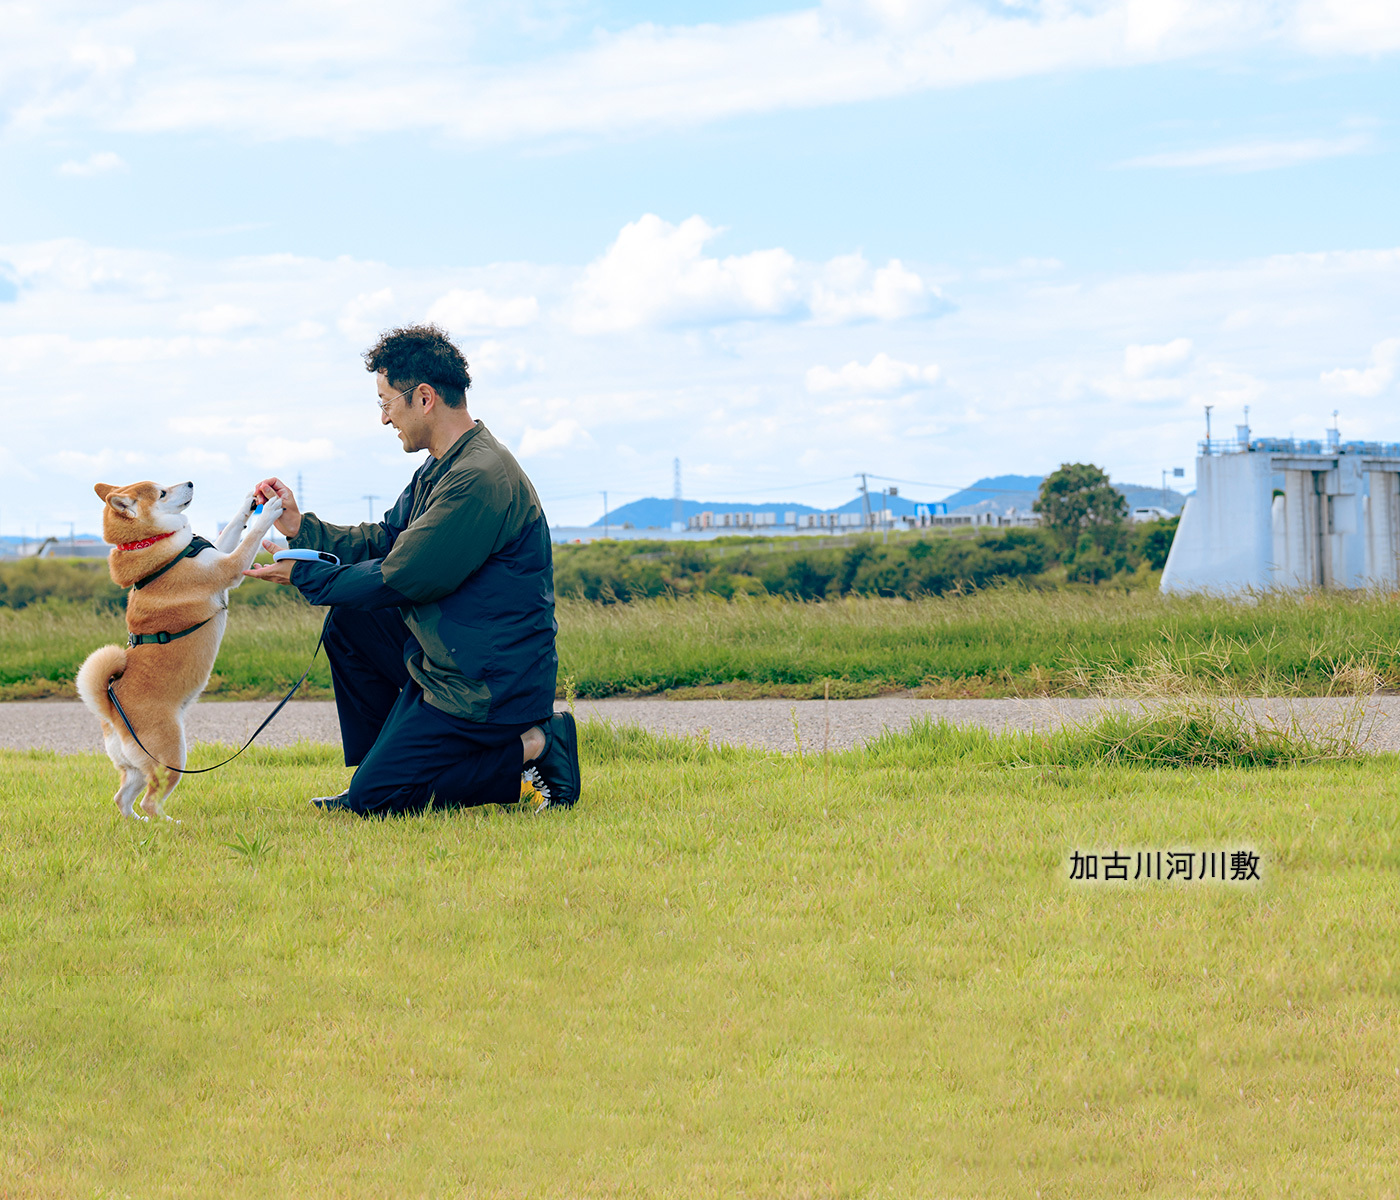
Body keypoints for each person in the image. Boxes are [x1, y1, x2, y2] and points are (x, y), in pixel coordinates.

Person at [243, 323, 579, 815]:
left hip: (486, 681)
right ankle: (381, 767)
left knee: (380, 800)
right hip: (452, 652)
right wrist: (300, 528)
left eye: (385, 403)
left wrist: (305, 576)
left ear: (423, 398)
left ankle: (539, 744)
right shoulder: (443, 465)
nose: (383, 419)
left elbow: (402, 576)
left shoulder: (478, 477)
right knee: (350, 622)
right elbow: (383, 538)